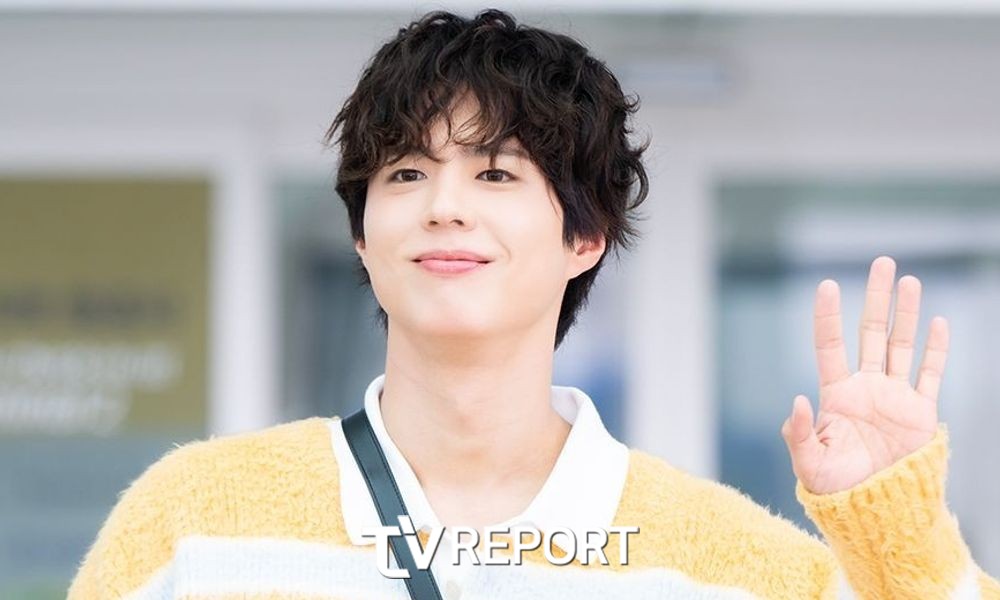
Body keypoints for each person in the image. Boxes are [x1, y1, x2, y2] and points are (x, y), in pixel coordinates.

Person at [68, 9, 999, 599]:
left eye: (496, 173)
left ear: (584, 236)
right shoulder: (193, 522)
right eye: (406, 172)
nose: (444, 205)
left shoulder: (727, 564)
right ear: (362, 235)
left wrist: (898, 528)